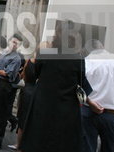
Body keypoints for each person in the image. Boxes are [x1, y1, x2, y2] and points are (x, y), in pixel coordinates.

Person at [20, 20, 90, 152]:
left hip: (43, 106)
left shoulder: (46, 53)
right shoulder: (78, 58)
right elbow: (82, 82)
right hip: (66, 109)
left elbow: (35, 74)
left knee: (38, 142)